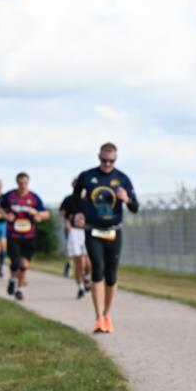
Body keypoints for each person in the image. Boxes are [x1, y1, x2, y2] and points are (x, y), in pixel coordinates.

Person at [72, 142, 139, 333]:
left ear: (115, 159)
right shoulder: (87, 176)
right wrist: (77, 213)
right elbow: (76, 197)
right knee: (97, 268)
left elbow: (135, 208)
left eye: (111, 161)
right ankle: (98, 317)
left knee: (111, 275)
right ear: (98, 157)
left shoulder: (123, 179)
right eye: (104, 160)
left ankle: (107, 314)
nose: (108, 164)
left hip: (114, 231)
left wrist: (126, 199)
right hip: (92, 230)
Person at [0, 172, 50, 301]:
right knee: (15, 263)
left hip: (29, 236)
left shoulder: (33, 198)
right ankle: (13, 281)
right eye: (20, 183)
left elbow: (45, 213)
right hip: (13, 235)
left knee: (24, 265)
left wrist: (38, 215)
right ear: (17, 182)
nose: (23, 185)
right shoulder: (9, 196)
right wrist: (6, 216)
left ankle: (19, 289)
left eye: (25, 183)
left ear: (28, 183)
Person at [59, 179, 92, 299]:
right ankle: (81, 287)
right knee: (78, 260)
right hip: (74, 231)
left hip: (86, 232)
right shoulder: (69, 200)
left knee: (88, 262)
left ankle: (86, 276)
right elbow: (63, 212)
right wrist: (67, 221)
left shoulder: (89, 200)